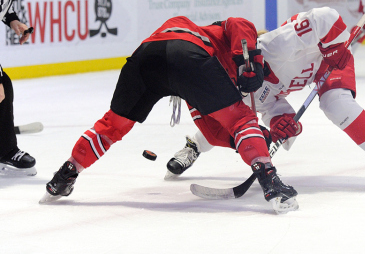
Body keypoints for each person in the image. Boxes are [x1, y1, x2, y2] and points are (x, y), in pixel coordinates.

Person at [40, 16, 299, 213]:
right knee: (242, 119)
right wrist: (249, 62)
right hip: (188, 56)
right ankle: (271, 181)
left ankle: (64, 176)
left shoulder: (211, 65)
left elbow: (211, 130)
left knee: (112, 125)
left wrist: (242, 141)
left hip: (147, 56)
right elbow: (239, 23)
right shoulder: (222, 38)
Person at [166, 7, 365, 192]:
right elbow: (274, 109)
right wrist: (284, 124)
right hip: (316, 65)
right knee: (229, 119)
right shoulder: (246, 93)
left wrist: (333, 49)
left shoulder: (275, 46)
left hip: (331, 57)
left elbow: (326, 17)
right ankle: (194, 146)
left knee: (335, 103)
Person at [0, 0, 47, 176]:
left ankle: (5, 149)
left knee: (3, 86)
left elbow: (2, 5)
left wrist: (13, 20)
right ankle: (5, 149)